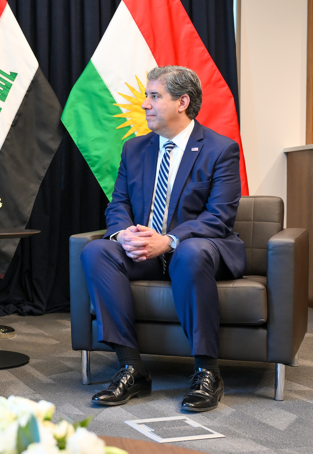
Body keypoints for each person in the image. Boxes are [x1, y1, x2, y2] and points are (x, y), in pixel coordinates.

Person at [81, 65, 245, 412]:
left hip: (197, 251)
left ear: (182, 102)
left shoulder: (220, 149)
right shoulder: (134, 149)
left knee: (190, 252)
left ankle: (207, 372)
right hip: (146, 251)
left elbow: (218, 217)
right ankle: (131, 368)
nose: (145, 104)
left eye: (154, 96)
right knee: (97, 251)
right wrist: (124, 234)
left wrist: (169, 240)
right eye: (146, 96)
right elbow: (119, 203)